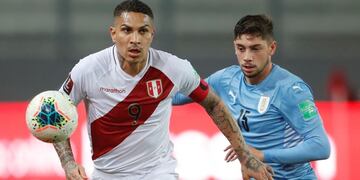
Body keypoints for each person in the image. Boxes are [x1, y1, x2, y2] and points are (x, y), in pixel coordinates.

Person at [52, 1, 274, 180]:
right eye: (126, 31)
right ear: (113, 33)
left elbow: (213, 103)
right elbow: (55, 112)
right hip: (106, 174)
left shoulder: (174, 68)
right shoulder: (89, 69)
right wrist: (69, 163)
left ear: (152, 34)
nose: (135, 40)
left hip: (158, 172)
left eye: (143, 31)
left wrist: (245, 156)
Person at [173, 14, 331, 179]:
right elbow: (177, 97)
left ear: (272, 48)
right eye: (241, 48)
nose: (247, 57)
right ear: (235, 47)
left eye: (255, 48)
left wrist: (261, 155)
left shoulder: (291, 90)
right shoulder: (226, 79)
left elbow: (320, 147)